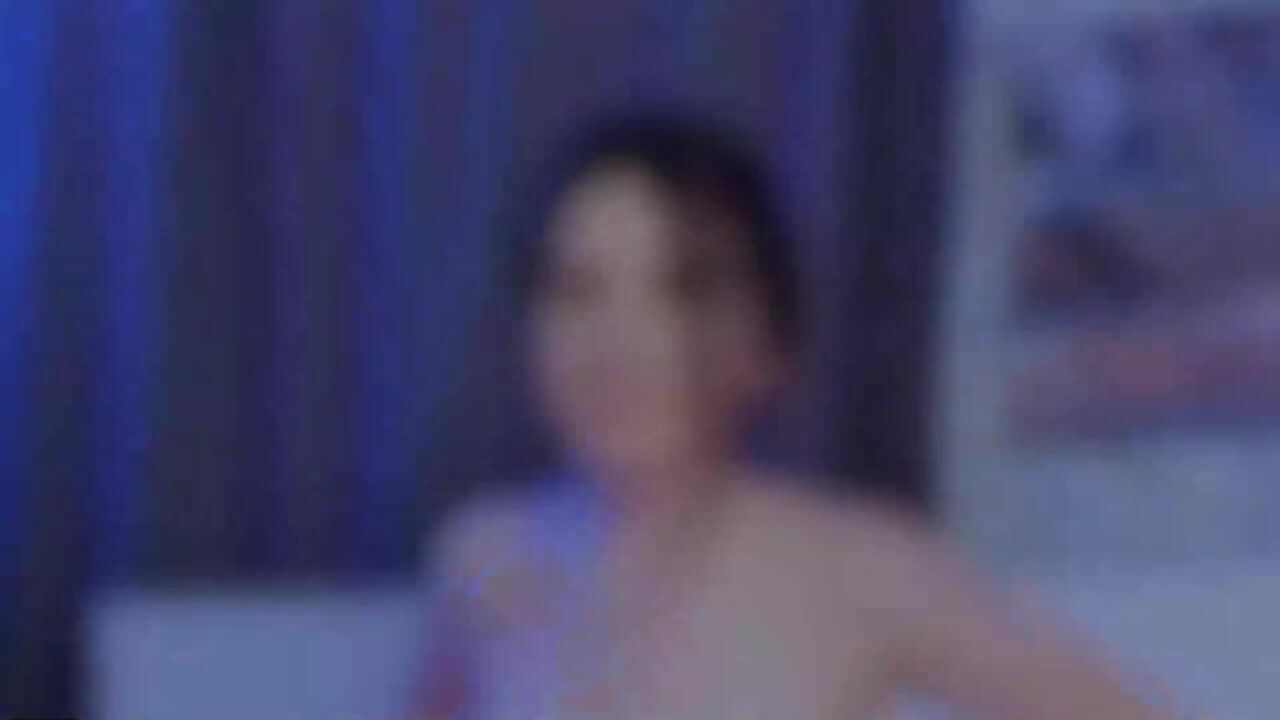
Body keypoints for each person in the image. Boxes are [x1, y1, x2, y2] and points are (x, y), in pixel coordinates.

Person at [412, 113, 1176, 719]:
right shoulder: (485, 558)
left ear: (765, 339)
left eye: (681, 291)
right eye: (576, 291)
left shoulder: (861, 567)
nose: (620, 343)